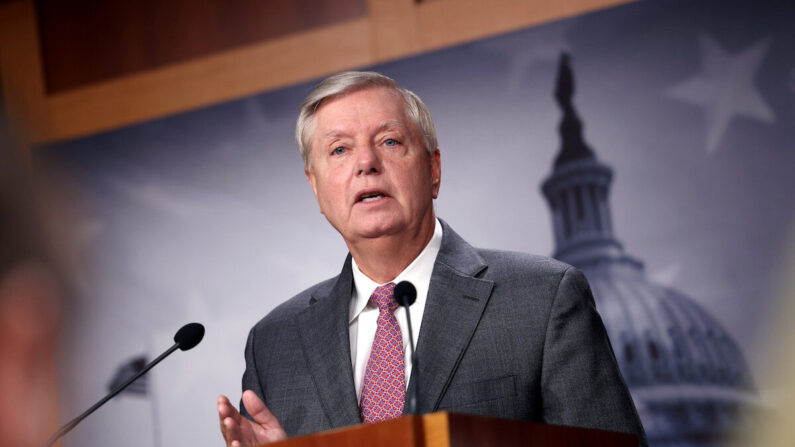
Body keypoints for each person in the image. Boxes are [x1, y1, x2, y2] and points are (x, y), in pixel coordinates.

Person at [217, 71, 647, 446]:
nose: (366, 163)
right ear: (315, 187)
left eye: (389, 141)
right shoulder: (275, 343)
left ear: (433, 169)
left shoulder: (543, 299)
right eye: (340, 150)